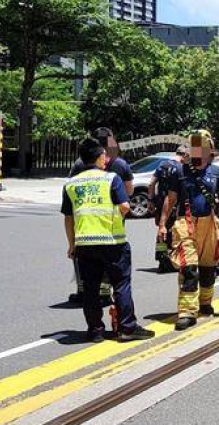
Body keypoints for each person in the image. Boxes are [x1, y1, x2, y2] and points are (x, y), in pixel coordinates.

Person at [62, 139, 155, 342]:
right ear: (98, 157)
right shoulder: (111, 179)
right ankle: (127, 328)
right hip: (113, 242)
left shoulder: (71, 184)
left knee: (91, 289)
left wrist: (71, 245)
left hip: (84, 244)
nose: (106, 158)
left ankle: (95, 331)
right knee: (121, 284)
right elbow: (124, 206)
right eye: (104, 154)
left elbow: (68, 218)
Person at [158, 130, 219, 331]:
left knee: (209, 268)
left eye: (201, 145)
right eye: (194, 145)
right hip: (186, 224)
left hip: (209, 224)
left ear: (209, 150)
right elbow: (171, 198)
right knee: (189, 268)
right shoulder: (180, 172)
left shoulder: (216, 173)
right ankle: (187, 312)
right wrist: (162, 224)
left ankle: (205, 303)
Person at [68, 127, 134, 304]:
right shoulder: (120, 164)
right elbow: (129, 191)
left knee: (84, 258)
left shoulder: (79, 164)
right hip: (112, 222)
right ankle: (105, 292)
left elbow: (70, 192)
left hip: (84, 223)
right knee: (113, 263)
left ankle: (84, 290)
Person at [151, 146, 189, 273]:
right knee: (173, 231)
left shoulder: (162, 165)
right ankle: (172, 260)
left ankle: (161, 259)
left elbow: (151, 183)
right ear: (184, 155)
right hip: (174, 204)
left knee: (161, 230)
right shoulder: (180, 168)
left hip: (161, 202)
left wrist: (151, 200)